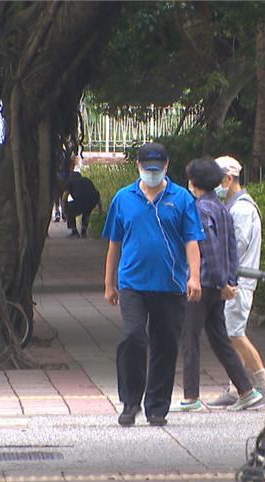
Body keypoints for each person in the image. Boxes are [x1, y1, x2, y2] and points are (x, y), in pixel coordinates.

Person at [103, 142, 204, 427]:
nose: (152, 174)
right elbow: (114, 243)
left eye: (157, 169)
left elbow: (192, 240)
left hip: (170, 285)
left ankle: (157, 406)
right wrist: (109, 284)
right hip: (133, 283)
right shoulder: (124, 198)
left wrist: (194, 276)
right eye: (147, 169)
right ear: (138, 167)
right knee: (133, 337)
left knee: (165, 344)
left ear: (166, 167)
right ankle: (130, 401)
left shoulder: (181, 198)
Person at [173, 158, 264, 413]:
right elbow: (231, 249)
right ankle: (246, 390)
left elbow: (209, 248)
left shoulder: (200, 209)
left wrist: (213, 280)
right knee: (219, 339)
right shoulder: (222, 207)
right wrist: (229, 280)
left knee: (190, 338)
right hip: (217, 284)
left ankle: (191, 397)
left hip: (202, 283)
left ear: (193, 182)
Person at [206, 155, 265, 408]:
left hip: (240, 281)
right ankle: (236, 387)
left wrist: (225, 277)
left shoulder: (242, 209)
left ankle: (264, 386)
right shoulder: (234, 206)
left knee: (235, 333)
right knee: (232, 332)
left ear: (228, 178)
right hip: (236, 279)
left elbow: (235, 247)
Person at [60, 172, 100, 238]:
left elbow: (64, 197)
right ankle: (83, 231)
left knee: (69, 209)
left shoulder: (70, 182)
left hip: (81, 201)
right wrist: (100, 208)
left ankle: (74, 231)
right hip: (93, 200)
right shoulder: (87, 180)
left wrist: (64, 208)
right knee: (87, 212)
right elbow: (96, 193)